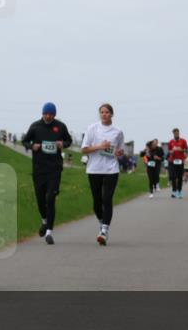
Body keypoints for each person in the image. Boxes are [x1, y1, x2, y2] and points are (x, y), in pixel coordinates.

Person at [21, 102, 73, 245]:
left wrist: (63, 144)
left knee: (50, 198)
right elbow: (24, 141)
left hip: (54, 169)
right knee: (40, 199)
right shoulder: (35, 126)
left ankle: (49, 232)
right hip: (38, 169)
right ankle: (44, 221)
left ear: (54, 114)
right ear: (42, 113)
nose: (48, 116)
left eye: (50, 114)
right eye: (45, 113)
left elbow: (69, 141)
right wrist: (33, 146)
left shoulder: (60, 126)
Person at [80, 103, 125, 245]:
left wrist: (119, 153)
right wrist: (100, 146)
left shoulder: (118, 132)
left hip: (111, 169)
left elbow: (120, 151)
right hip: (94, 169)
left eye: (107, 112)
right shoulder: (92, 128)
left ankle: (104, 230)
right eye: (102, 112)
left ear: (112, 114)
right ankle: (102, 222)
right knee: (96, 203)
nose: (104, 114)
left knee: (107, 198)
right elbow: (84, 150)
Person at [167, 128, 188, 199]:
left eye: (177, 133)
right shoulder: (171, 142)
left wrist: (181, 150)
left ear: (179, 133)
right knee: (173, 177)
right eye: (175, 133)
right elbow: (169, 151)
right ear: (173, 134)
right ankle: (174, 191)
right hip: (172, 161)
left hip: (180, 161)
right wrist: (171, 151)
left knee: (179, 177)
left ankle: (180, 191)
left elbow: (186, 150)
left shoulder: (183, 141)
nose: (176, 134)